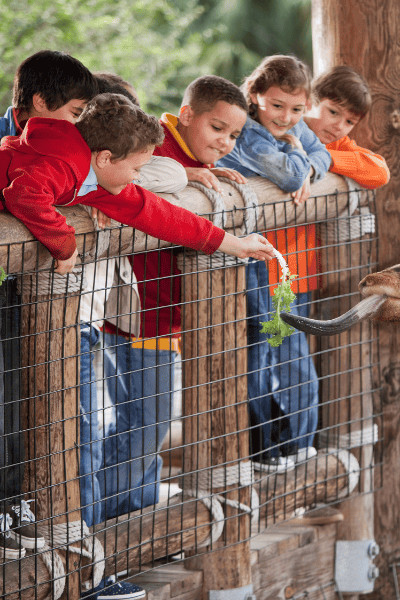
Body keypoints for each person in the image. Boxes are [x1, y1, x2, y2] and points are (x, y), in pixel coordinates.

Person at [0, 94, 275, 598]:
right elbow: (25, 196)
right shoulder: (63, 163)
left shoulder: (98, 180)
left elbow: (164, 218)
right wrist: (64, 244)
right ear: (104, 159)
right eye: (135, 168)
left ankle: (90, 553)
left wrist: (236, 245)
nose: (138, 178)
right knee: (59, 426)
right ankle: (70, 562)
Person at [99, 74, 249, 529]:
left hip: (164, 316)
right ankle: (113, 521)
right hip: (141, 315)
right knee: (148, 421)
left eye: (234, 134)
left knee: (146, 422)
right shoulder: (156, 151)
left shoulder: (186, 156)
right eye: (216, 128)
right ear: (186, 115)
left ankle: (135, 512)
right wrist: (187, 176)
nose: (225, 142)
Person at [0, 49, 97, 563]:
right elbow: (26, 197)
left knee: (15, 398)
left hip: (11, 287)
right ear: (42, 101)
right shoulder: (48, 147)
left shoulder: (27, 141)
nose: (79, 124)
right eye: (77, 111)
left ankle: (14, 505)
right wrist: (65, 243)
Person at [218, 55, 331, 472]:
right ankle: (265, 446)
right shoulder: (248, 133)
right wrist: (301, 158)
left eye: (298, 109)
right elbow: (287, 176)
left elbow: (324, 156)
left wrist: (308, 163)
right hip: (245, 258)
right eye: (277, 106)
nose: (287, 118)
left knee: (276, 349)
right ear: (255, 97)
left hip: (275, 260)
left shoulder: (291, 126)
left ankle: (284, 444)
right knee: (261, 352)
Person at [304, 65, 390, 189]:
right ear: (310, 102)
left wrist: (325, 158)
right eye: (333, 112)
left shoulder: (336, 145)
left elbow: (381, 172)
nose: (339, 126)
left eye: (349, 122)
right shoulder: (286, 130)